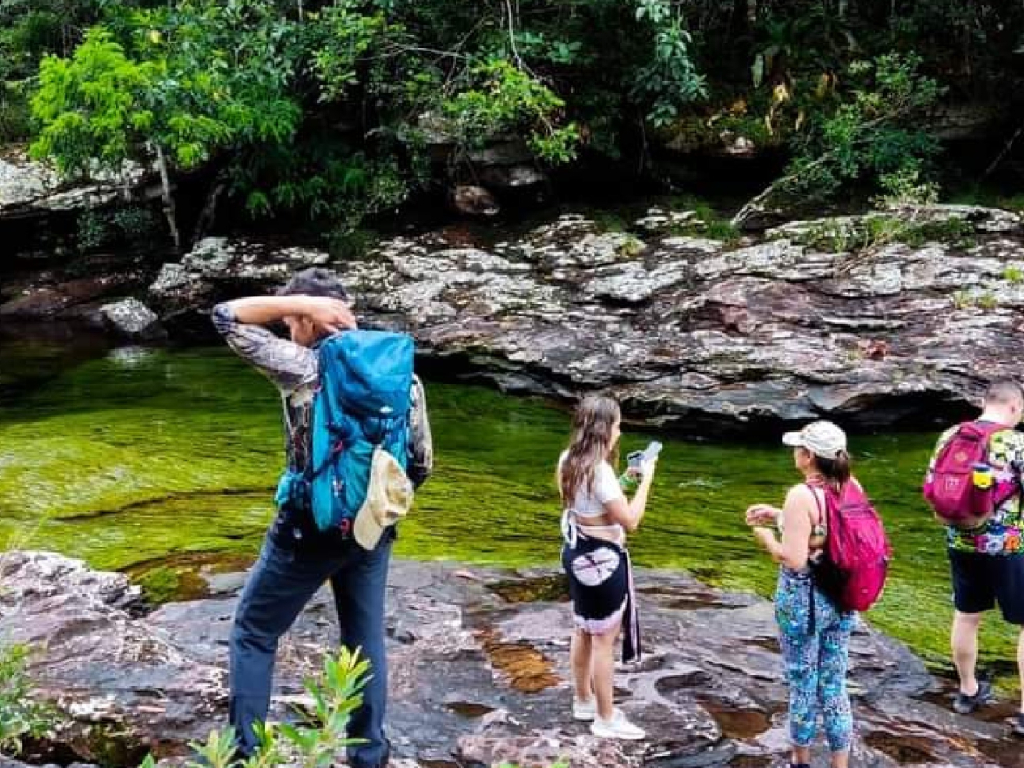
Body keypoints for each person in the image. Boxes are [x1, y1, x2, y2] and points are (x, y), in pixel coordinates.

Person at [212, 268, 433, 768]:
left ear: (312, 320)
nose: (289, 330)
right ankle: (369, 755)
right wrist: (369, 508)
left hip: (306, 531)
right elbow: (420, 463)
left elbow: (226, 317)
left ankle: (245, 756)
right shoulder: (404, 376)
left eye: (293, 320)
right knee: (364, 639)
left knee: (253, 632)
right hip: (373, 528)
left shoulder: (302, 367)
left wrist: (299, 306)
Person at [746, 421, 857, 768]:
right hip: (841, 599)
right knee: (835, 684)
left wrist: (766, 538)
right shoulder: (850, 485)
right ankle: (840, 763)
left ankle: (801, 759)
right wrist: (779, 516)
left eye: (798, 448)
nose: (794, 453)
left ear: (808, 456)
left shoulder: (800, 494)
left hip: (802, 605)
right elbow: (824, 531)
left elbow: (793, 559)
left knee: (803, 681)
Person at [924, 379, 1024, 731]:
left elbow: (933, 487)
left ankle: (967, 692)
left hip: (961, 542)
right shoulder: (1016, 441)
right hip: (1010, 546)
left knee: (967, 616)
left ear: (985, 402)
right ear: (1014, 407)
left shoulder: (950, 436)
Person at [557, 395, 657, 740]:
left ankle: (583, 699)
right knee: (603, 638)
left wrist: (624, 481)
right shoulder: (600, 470)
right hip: (603, 562)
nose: (619, 430)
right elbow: (629, 521)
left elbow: (589, 505)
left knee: (583, 627)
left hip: (576, 554)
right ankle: (605, 717)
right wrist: (646, 481)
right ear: (604, 430)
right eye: (616, 424)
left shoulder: (568, 460)